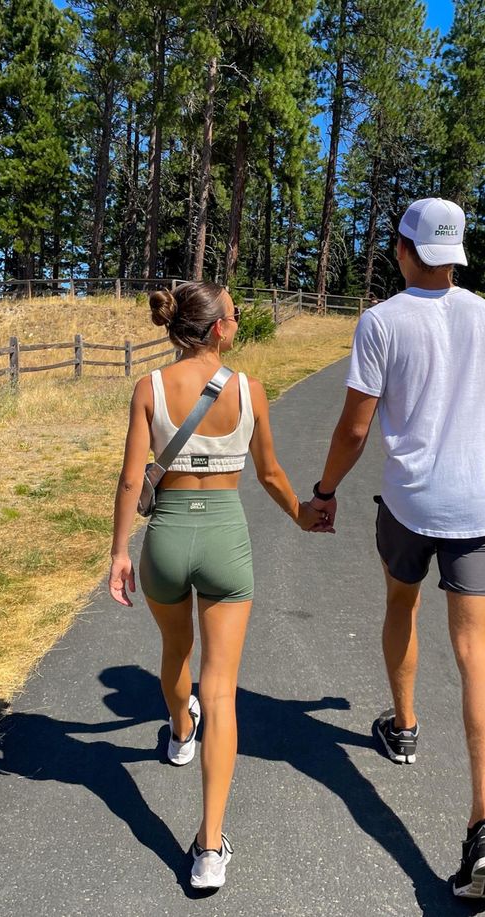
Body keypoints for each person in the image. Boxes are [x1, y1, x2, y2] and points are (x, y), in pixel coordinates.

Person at [309, 198, 485, 902]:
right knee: (479, 654)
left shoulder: (380, 321)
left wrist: (325, 490)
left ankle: (403, 725)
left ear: (404, 250)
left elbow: (354, 428)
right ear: (456, 254)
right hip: (478, 507)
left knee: (400, 599)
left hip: (409, 503)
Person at [108, 281, 327, 891]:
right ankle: (209, 847)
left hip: (168, 540)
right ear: (220, 330)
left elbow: (131, 480)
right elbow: (271, 472)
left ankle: (180, 732)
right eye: (234, 314)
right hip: (227, 538)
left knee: (175, 654)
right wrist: (303, 515)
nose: (237, 320)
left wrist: (119, 552)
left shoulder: (148, 388)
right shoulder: (247, 389)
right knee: (223, 691)